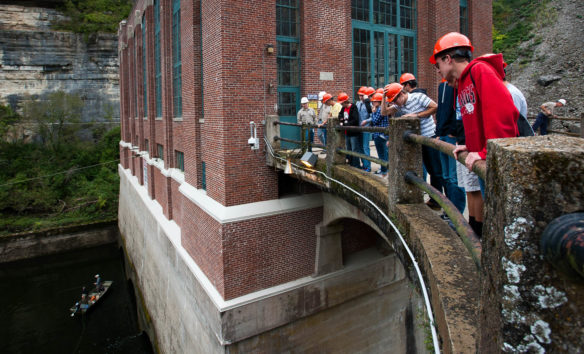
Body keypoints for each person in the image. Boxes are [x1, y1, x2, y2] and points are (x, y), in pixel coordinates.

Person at [431, 32, 518, 195]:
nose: (437, 71)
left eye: (437, 65)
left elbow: (502, 114)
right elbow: (475, 120)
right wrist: (471, 146)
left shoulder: (480, 71)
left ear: (448, 59)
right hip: (485, 159)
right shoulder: (463, 82)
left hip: (493, 159)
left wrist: (485, 152)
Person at [382, 82, 444, 204]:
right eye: (392, 101)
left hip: (429, 136)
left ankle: (437, 200)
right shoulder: (399, 106)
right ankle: (431, 197)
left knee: (435, 170)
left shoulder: (418, 97)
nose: (394, 103)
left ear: (401, 94)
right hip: (416, 140)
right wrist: (384, 98)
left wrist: (416, 115)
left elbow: (435, 107)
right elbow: (384, 113)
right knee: (420, 169)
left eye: (395, 100)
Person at [435, 79, 466, 214]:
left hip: (452, 136)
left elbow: (460, 111)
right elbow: (441, 109)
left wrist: (455, 131)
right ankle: (449, 210)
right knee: (446, 176)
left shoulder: (458, 83)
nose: (439, 70)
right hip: (443, 135)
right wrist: (438, 132)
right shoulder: (442, 85)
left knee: (454, 178)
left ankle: (456, 212)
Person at [361, 92, 388, 176]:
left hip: (380, 135)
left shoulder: (379, 109)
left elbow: (375, 120)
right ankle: (383, 170)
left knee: (382, 154)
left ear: (379, 102)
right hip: (380, 134)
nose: (372, 103)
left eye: (374, 101)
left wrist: (373, 112)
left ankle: (384, 171)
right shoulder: (380, 108)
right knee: (382, 154)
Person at [337, 92, 362, 168]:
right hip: (347, 132)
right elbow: (340, 114)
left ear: (345, 102)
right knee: (349, 149)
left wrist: (344, 124)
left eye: (342, 103)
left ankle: (356, 165)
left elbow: (355, 120)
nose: (341, 105)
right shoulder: (343, 108)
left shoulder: (353, 107)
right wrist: (341, 119)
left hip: (353, 133)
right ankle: (351, 164)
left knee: (354, 149)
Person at [356, 86, 372, 172]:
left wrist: (366, 121)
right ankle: (364, 164)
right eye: (359, 95)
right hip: (359, 128)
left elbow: (372, 116)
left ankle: (368, 166)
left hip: (366, 128)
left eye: (362, 95)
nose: (361, 97)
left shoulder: (369, 104)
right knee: (360, 147)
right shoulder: (358, 103)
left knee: (365, 147)